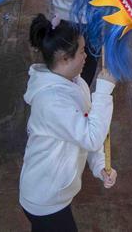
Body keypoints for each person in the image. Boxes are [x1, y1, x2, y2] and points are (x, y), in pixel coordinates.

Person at [19, 15, 117, 231]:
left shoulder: (75, 82)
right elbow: (91, 137)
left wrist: (99, 165)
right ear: (64, 58)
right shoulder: (51, 102)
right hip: (45, 198)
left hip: (54, 193)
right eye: (82, 51)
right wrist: (102, 93)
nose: (86, 56)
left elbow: (87, 128)